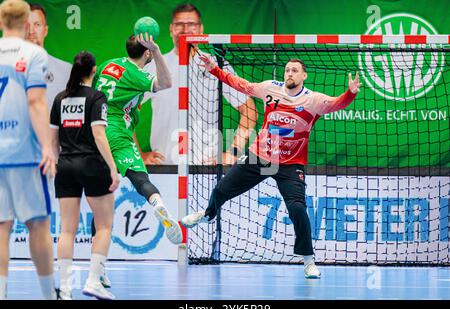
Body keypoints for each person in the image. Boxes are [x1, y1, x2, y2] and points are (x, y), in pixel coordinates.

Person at [182, 56, 361, 278]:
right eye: (287, 70)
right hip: (260, 157)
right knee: (221, 190)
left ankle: (308, 262)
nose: (290, 74)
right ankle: (208, 215)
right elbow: (240, 84)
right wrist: (214, 70)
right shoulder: (270, 88)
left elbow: (337, 103)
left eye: (295, 70)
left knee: (298, 209)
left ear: (304, 76)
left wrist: (350, 93)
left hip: (291, 164)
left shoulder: (312, 100)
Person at [91, 34, 182, 250]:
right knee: (140, 179)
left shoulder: (107, 65)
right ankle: (157, 203)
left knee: (101, 200)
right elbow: (166, 82)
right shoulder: (137, 75)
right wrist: (158, 52)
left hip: (95, 132)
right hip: (117, 132)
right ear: (147, 53)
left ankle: (96, 265)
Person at [143, 3, 257, 165]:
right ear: (171, 29)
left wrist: (233, 152)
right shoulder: (155, 66)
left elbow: (249, 110)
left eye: (192, 24)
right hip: (164, 168)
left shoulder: (216, 65)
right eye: (179, 24)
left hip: (205, 169)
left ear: (201, 29)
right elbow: (122, 110)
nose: (185, 29)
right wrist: (139, 154)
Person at [50, 51, 119, 300]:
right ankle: (93, 281)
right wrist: (112, 167)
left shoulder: (59, 99)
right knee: (104, 226)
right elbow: (99, 135)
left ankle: (65, 290)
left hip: (65, 165)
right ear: (94, 70)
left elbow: (52, 141)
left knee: (66, 230)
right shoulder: (96, 97)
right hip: (91, 164)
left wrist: (57, 162)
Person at [0, 0, 57, 299]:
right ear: (26, 23)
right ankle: (49, 295)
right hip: (26, 155)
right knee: (38, 225)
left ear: (0, 22)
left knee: (1, 227)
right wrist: (48, 147)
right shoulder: (34, 53)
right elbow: (36, 102)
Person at [26, 3, 71, 108]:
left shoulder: (67, 70)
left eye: (37, 25)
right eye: (26, 25)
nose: (31, 31)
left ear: (45, 31)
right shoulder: (4, 68)